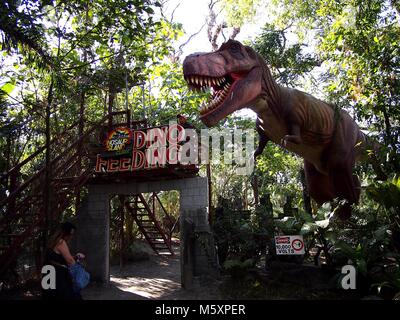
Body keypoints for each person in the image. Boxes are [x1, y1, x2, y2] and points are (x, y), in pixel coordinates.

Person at [42, 222, 85, 300]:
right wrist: (79, 269)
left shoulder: (53, 240)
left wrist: (75, 257)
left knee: (50, 296)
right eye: (70, 234)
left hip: (48, 272)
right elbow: (70, 261)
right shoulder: (61, 242)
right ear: (66, 233)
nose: (71, 236)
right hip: (56, 276)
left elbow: (59, 257)